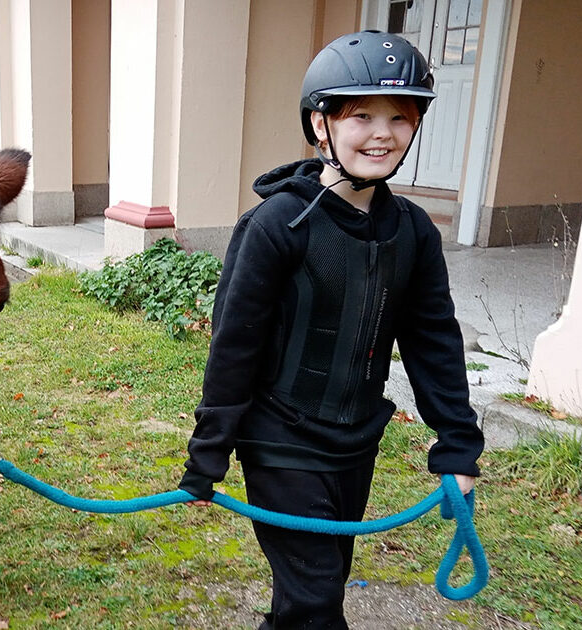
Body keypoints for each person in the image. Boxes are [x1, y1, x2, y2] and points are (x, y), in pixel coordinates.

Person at [178, 31, 484, 630]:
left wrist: (456, 444)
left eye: (400, 116)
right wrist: (209, 453)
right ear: (322, 125)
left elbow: (434, 342)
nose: (382, 133)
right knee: (317, 600)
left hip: (356, 442)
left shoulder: (414, 232)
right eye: (361, 114)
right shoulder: (275, 225)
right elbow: (234, 347)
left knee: (315, 587)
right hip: (280, 438)